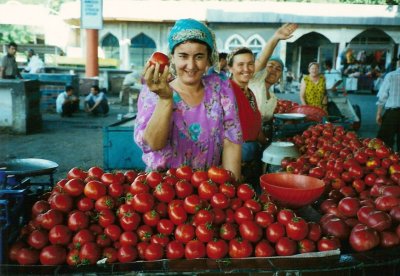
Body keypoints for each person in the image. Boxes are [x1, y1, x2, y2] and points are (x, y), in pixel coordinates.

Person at [134, 18, 243, 180]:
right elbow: (154, 144)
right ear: (172, 57)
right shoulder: (154, 90)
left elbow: (232, 141)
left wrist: (230, 189)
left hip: (208, 185)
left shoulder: (220, 88)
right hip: (163, 186)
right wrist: (165, 99)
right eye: (183, 56)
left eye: (199, 57)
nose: (191, 66)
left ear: (208, 58)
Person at [227, 23, 298, 186]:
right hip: (236, 151)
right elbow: (259, 61)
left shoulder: (253, 93)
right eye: (270, 66)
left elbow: (255, 123)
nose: (246, 69)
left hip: (252, 149)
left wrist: (266, 143)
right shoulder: (236, 85)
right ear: (230, 68)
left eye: (278, 69)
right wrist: (275, 38)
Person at [376, 60, 400, 152]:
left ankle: (388, 165)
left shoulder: (391, 75)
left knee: (384, 144)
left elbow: (382, 97)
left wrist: (378, 113)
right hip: (393, 112)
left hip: (393, 113)